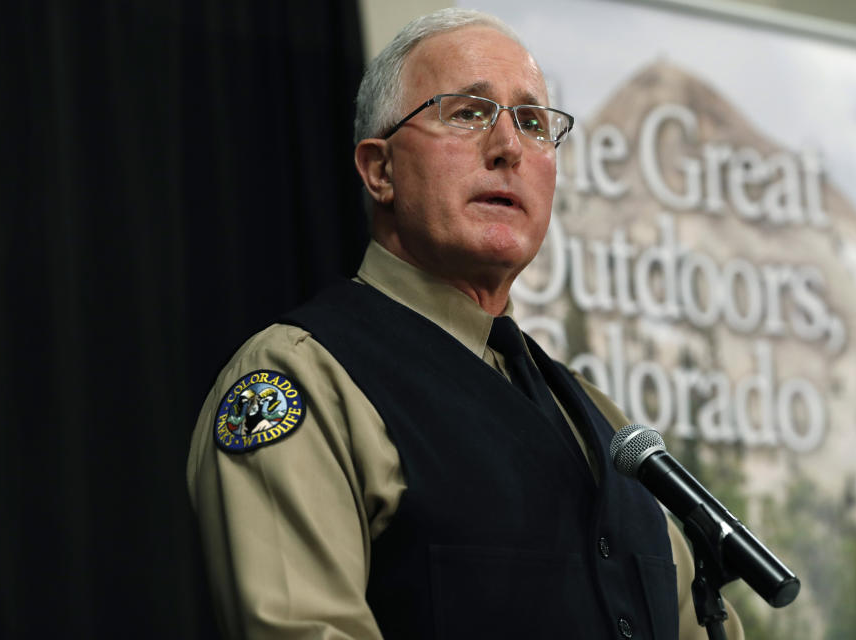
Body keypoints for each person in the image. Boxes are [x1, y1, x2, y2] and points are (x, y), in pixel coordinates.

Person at [188, 8, 744, 640]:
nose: (509, 147)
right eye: (467, 112)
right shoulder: (303, 379)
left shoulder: (604, 423)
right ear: (380, 170)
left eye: (533, 123)